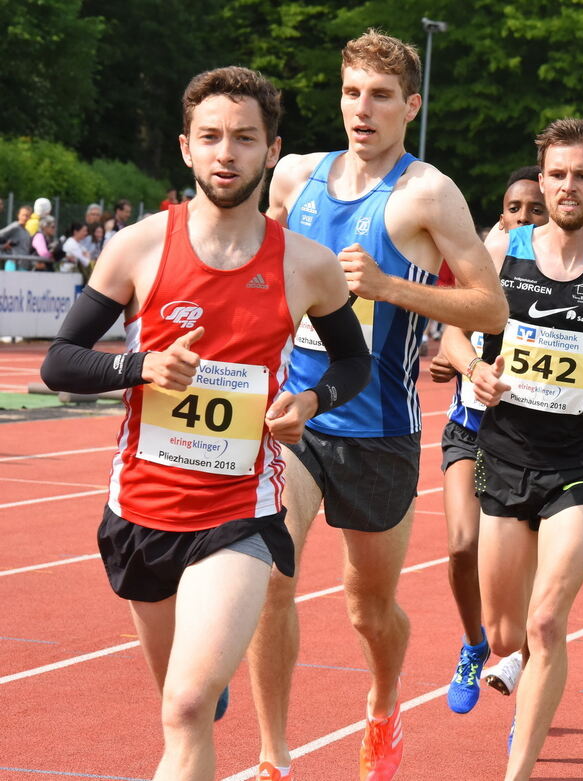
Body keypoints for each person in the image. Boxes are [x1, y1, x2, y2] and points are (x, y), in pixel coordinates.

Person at [39, 65, 371, 781]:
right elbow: (60, 363)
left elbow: (354, 363)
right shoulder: (138, 246)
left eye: (245, 138)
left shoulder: (307, 265)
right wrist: (141, 367)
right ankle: (203, 683)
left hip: (239, 511)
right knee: (183, 699)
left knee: (186, 707)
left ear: (271, 150)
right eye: (211, 137)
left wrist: (311, 402)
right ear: (186, 147)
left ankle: (202, 689)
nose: (227, 153)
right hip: (141, 511)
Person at [246, 30, 508, 781]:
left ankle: (384, 702)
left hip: (380, 428)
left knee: (368, 609)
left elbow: (490, 308)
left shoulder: (428, 193)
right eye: (352, 93)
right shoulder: (295, 176)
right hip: (296, 415)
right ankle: (273, 754)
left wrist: (390, 287)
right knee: (270, 575)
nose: (363, 109)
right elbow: (259, 270)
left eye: (382, 96)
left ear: (410, 106)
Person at [443, 118, 583, 781]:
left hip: (582, 461)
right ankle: (497, 655)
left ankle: (519, 766)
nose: (569, 186)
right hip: (505, 452)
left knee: (544, 623)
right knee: (505, 631)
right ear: (541, 181)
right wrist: (473, 370)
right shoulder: (502, 248)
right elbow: (453, 331)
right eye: (558, 174)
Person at [428, 164, 548, 714]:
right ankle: (474, 643)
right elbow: (453, 336)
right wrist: (462, 364)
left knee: (524, 575)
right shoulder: (483, 264)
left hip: (532, 440)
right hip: (471, 428)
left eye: (535, 209)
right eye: (514, 208)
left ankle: (525, 668)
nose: (523, 217)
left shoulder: (567, 275)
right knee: (461, 545)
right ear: (501, 214)